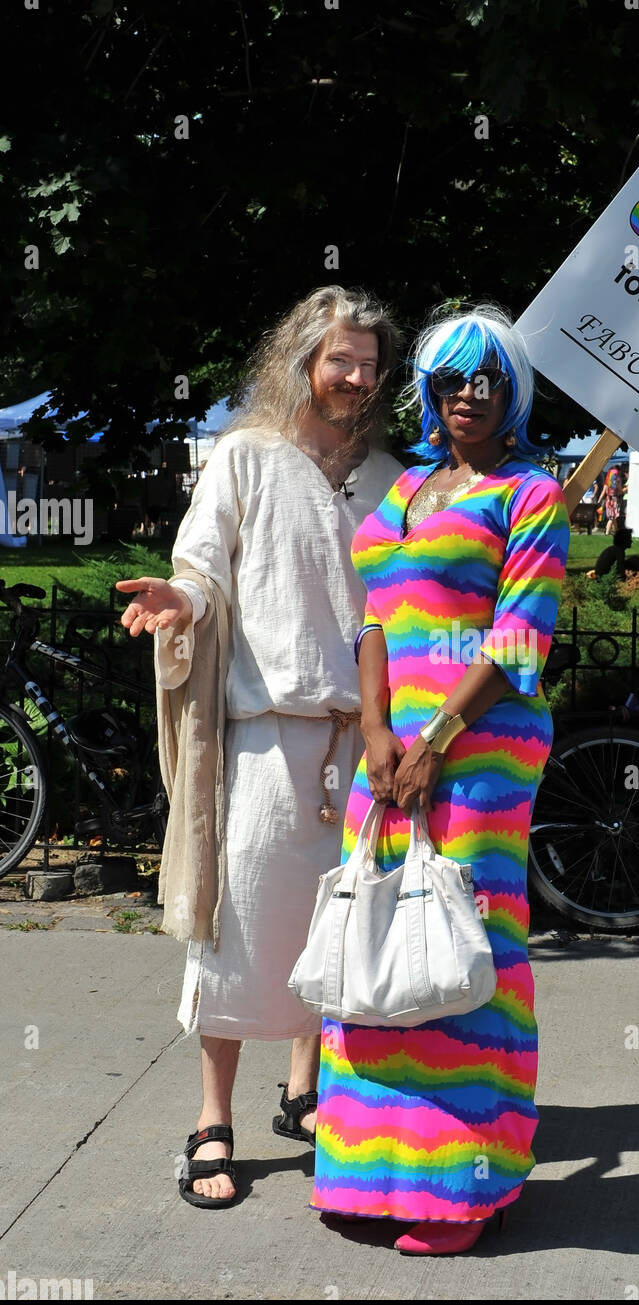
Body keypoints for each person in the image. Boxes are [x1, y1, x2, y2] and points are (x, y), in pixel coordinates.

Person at [116, 286, 402, 1208]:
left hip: (357, 744)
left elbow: (401, 605)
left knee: (337, 929)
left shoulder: (386, 475)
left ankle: (307, 1095)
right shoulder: (245, 456)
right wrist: (180, 603)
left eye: (369, 364)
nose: (356, 377)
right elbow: (203, 569)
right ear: (303, 361)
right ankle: (211, 1121)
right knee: (238, 936)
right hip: (266, 738)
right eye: (340, 361)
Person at [311, 305, 570, 1255]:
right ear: (428, 389)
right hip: (390, 756)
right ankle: (369, 1172)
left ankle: (461, 1190)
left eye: (490, 381)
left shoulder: (531, 493)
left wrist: (435, 741)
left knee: (465, 949)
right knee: (373, 934)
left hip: (482, 759)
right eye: (455, 379)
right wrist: (379, 731)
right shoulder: (405, 491)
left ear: (514, 394)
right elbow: (371, 620)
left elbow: (516, 639)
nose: (470, 395)